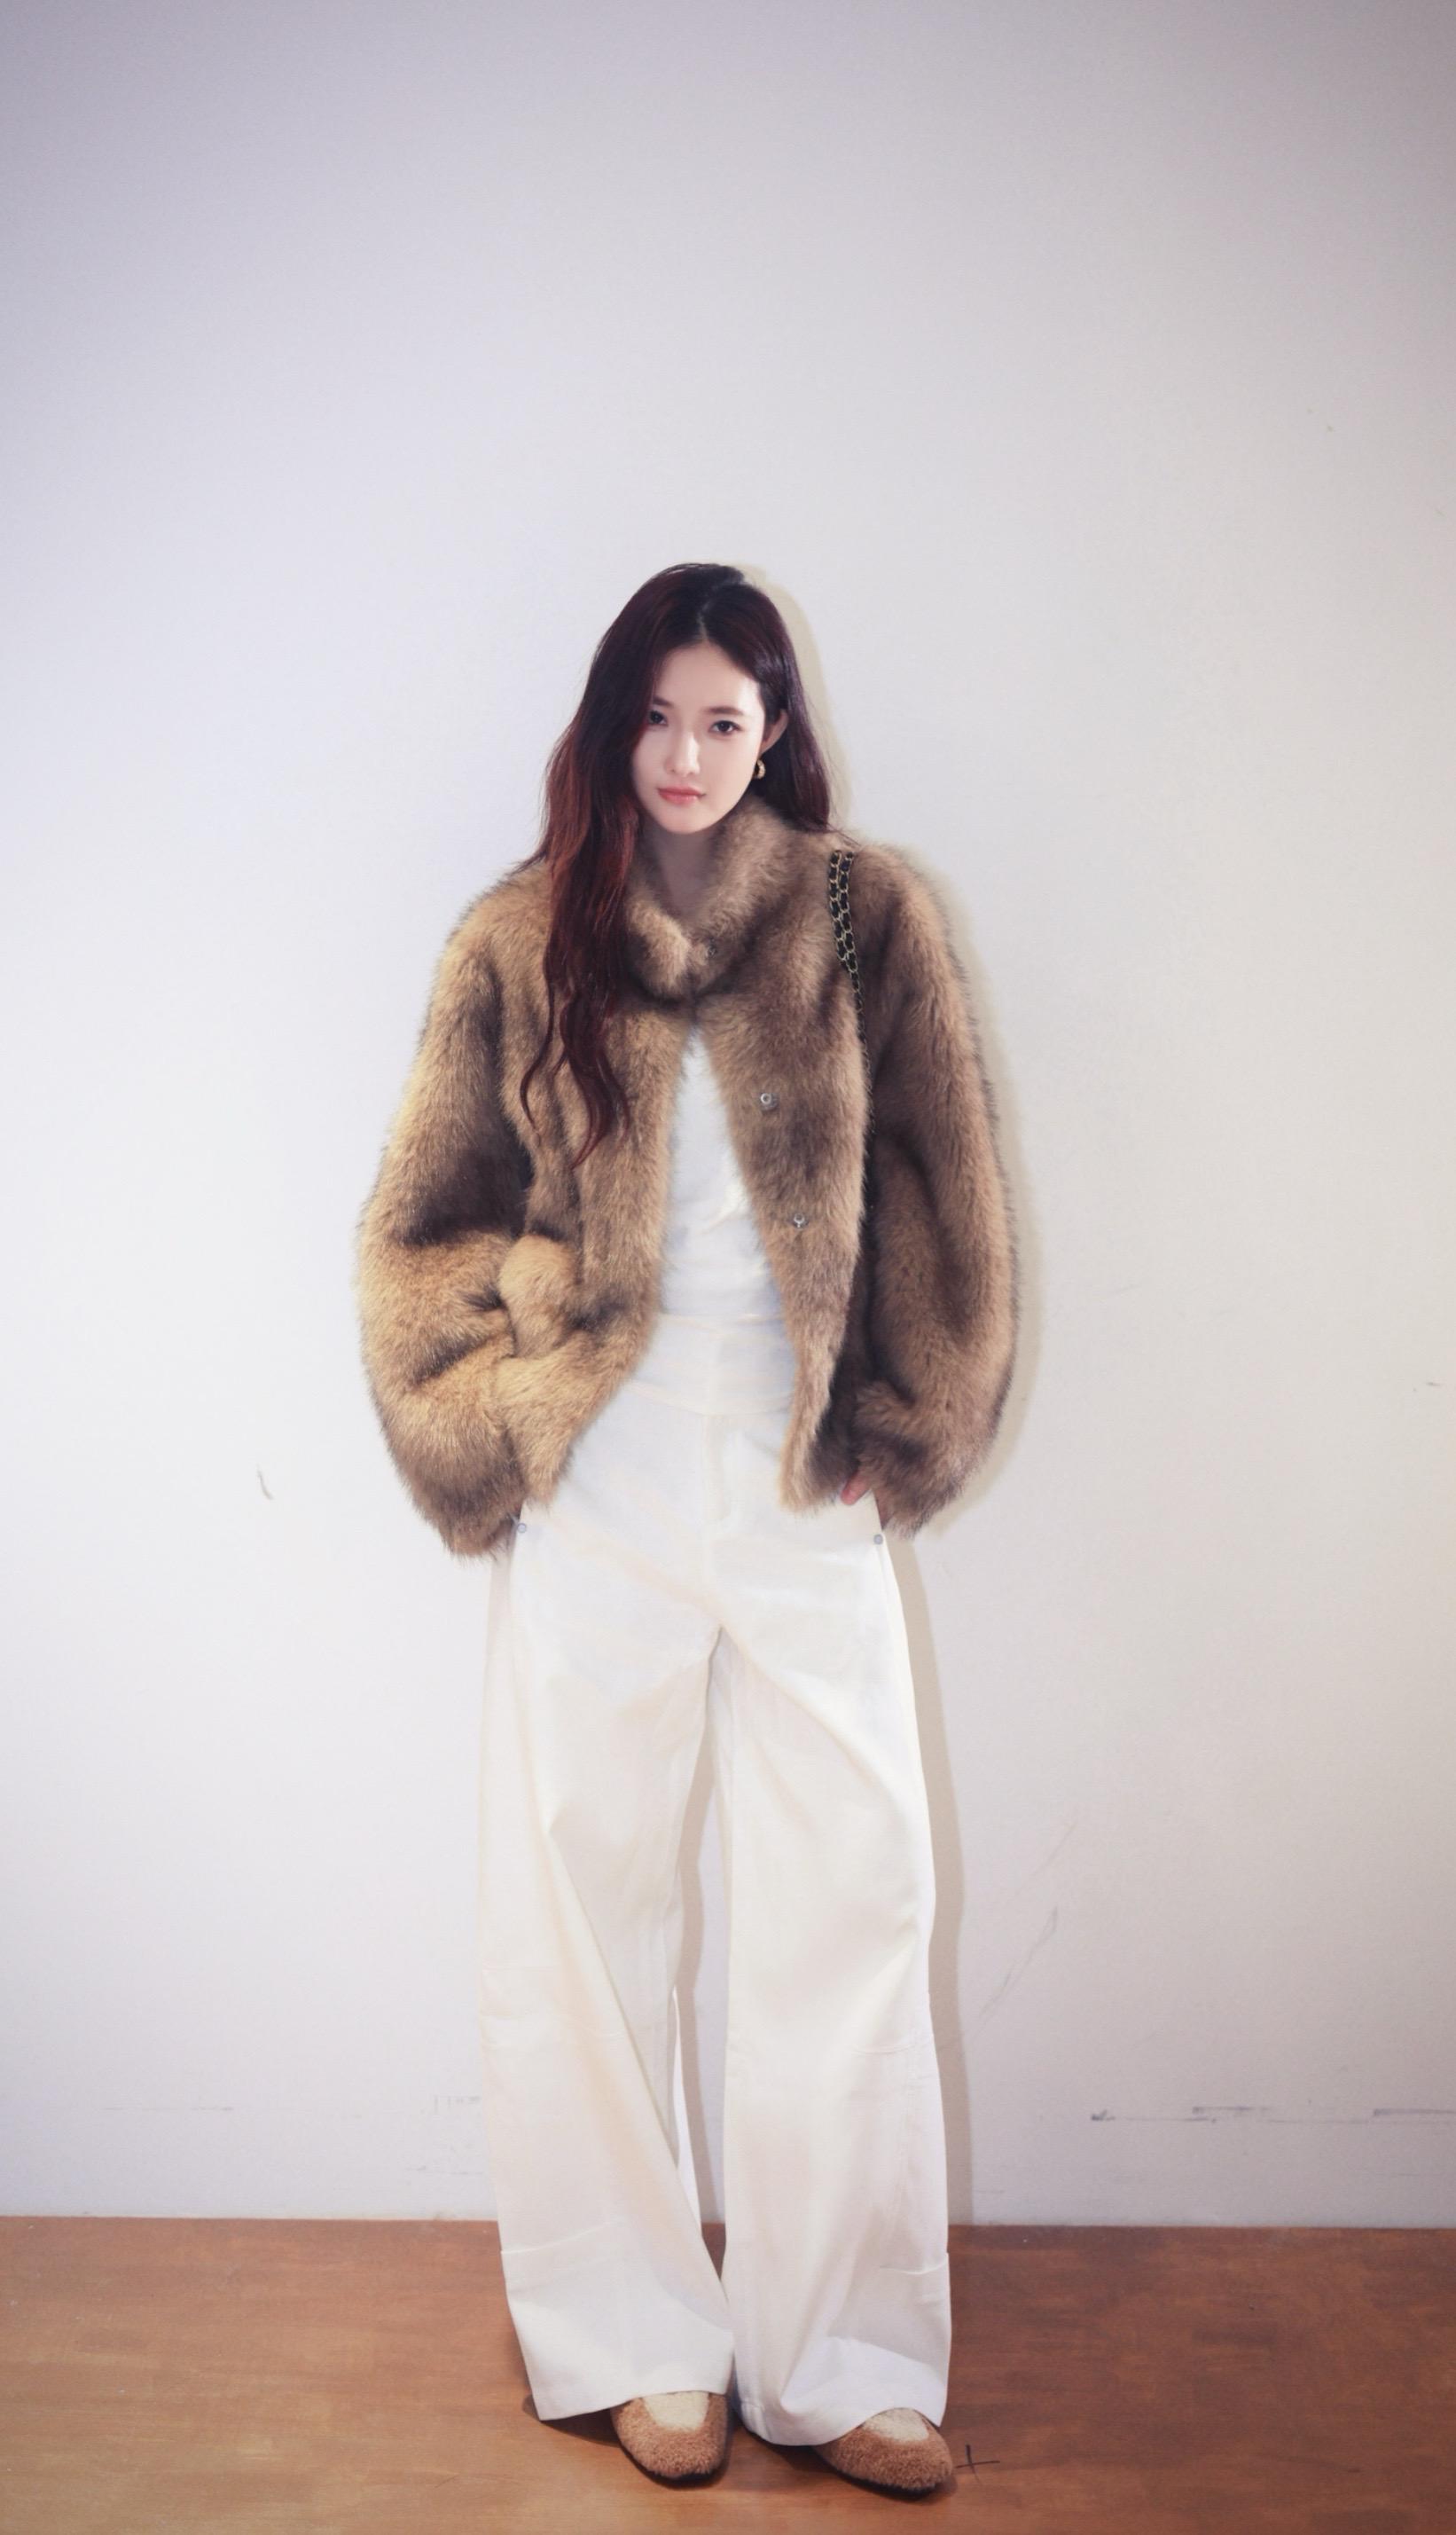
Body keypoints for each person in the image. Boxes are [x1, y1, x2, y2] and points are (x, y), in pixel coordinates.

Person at [354, 561, 1019, 2492]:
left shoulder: (860, 913)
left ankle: (846, 2358)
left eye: (722, 719)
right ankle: (634, 2335)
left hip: (806, 1476)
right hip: (604, 1476)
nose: (682, 754)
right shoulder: (522, 934)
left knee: (859, 1888)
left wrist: (911, 1408)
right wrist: (500, 1414)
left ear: (774, 730)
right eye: (652, 715)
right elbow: (423, 1220)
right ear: (607, 720)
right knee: (581, 1897)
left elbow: (943, 1180)